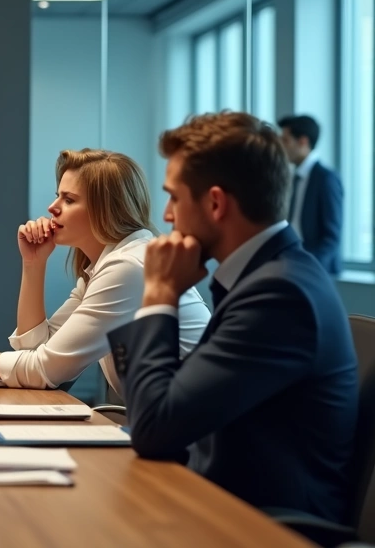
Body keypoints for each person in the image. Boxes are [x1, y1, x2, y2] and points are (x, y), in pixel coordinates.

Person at [108, 111, 357, 524]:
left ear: (216, 203)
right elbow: (163, 410)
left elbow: (153, 427)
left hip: (255, 527)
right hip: (215, 501)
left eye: (174, 197)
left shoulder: (280, 294)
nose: (167, 216)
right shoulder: (268, 275)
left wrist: (160, 294)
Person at [0, 149, 210, 396]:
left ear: (106, 209)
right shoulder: (105, 267)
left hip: (198, 442)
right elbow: (36, 348)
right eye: (58, 196)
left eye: (69, 199)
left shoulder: (127, 268)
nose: (52, 207)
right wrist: (33, 264)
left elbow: (44, 372)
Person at [277, 114, 343, 275]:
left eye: (285, 140)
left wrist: (312, 267)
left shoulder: (326, 178)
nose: (281, 146)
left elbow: (332, 236)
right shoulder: (291, 178)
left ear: (303, 141)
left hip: (316, 269)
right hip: (292, 263)